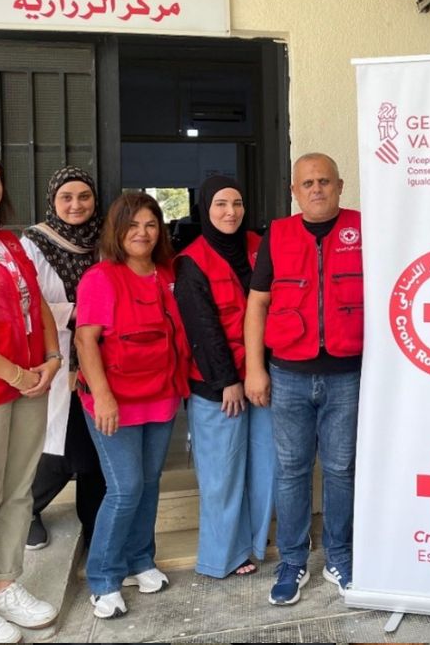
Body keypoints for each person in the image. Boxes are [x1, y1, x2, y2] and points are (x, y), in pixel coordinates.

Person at [244, 152, 362, 606]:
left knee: (340, 470)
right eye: (308, 183)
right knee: (291, 472)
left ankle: (340, 555)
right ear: (295, 191)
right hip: (289, 374)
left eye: (325, 181)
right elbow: (257, 305)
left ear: (340, 185)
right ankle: (292, 561)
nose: (317, 189)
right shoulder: (278, 234)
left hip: (347, 375)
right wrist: (255, 368)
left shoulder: (365, 229)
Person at [74, 192, 190, 620]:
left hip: (159, 395)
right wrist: (102, 395)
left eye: (151, 224)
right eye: (133, 225)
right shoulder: (101, 278)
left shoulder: (164, 274)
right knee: (124, 489)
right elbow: (86, 339)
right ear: (117, 231)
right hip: (114, 401)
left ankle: (141, 560)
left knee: (150, 483)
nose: (142, 233)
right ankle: (103, 577)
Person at [174, 176, 275, 579]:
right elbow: (202, 328)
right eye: (220, 204)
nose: (229, 212)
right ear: (204, 209)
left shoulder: (258, 246)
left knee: (264, 465)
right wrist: (228, 380)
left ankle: (253, 542)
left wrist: (263, 370)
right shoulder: (191, 260)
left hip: (263, 376)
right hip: (220, 384)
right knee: (222, 473)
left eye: (236, 203)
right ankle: (222, 555)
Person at [0, 150, 61, 643]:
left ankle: (6, 582)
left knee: (18, 489)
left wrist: (52, 358)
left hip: (30, 381)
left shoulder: (9, 242)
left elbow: (41, 305)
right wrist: (15, 373)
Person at [20, 166, 105, 552]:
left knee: (98, 442)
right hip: (60, 353)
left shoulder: (106, 238)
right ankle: (27, 510)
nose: (76, 205)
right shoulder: (34, 243)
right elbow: (27, 301)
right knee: (64, 448)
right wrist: (77, 312)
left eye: (84, 197)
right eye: (66, 198)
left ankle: (96, 523)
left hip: (103, 355)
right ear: (53, 201)